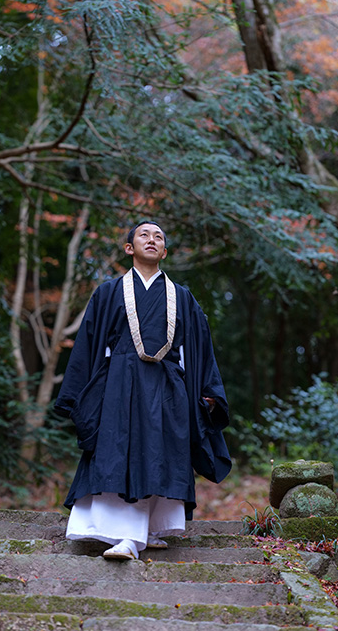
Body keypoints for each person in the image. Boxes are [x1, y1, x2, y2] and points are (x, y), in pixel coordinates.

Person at [54, 220, 231, 561]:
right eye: (143, 235)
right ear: (129, 248)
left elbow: (199, 348)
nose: (152, 240)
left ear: (164, 251)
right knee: (120, 451)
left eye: (159, 237)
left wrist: (208, 392)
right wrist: (79, 395)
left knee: (159, 454)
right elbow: (88, 345)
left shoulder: (182, 297)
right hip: (118, 387)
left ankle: (145, 530)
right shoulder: (107, 292)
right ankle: (127, 536)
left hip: (168, 389)